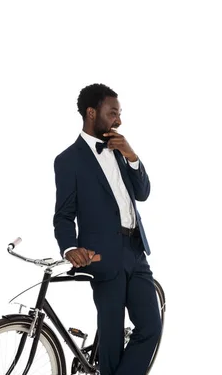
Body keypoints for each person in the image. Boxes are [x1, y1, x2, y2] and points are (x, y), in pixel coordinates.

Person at [53, 83, 161, 374]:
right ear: (91, 113)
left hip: (136, 252)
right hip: (102, 257)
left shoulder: (117, 149)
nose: (119, 120)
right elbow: (63, 216)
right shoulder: (68, 161)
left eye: (120, 113)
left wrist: (132, 155)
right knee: (110, 344)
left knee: (151, 326)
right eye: (113, 112)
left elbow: (143, 192)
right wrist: (70, 247)